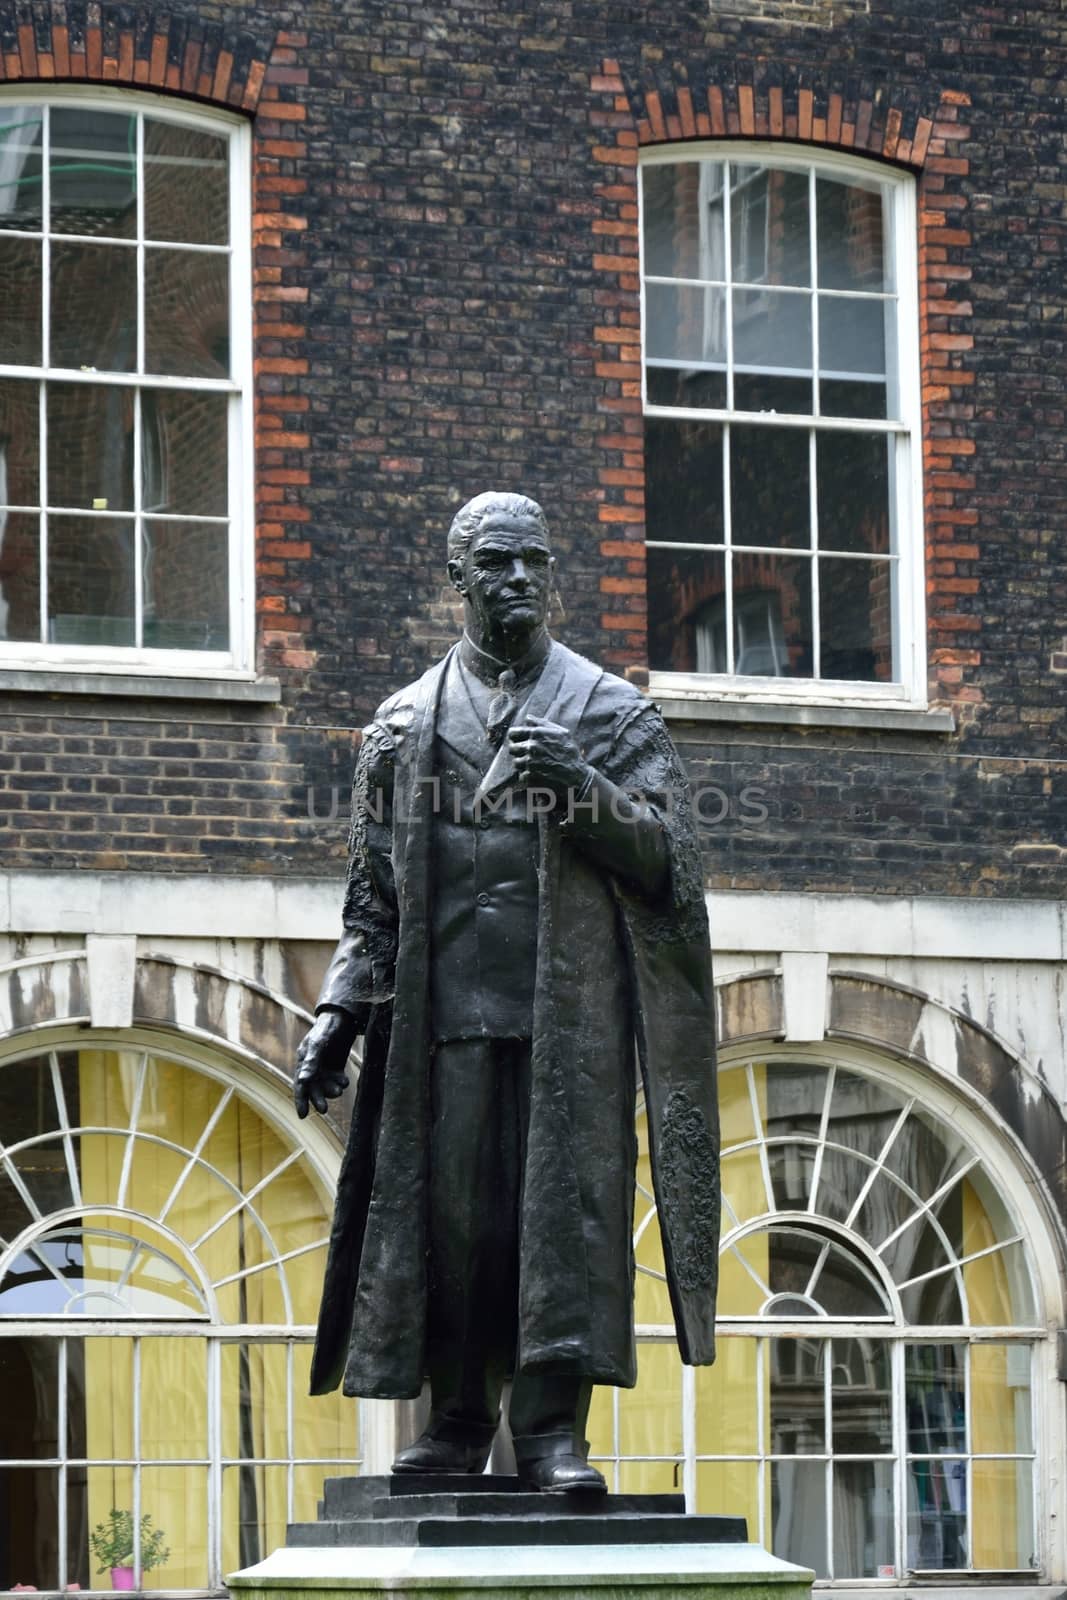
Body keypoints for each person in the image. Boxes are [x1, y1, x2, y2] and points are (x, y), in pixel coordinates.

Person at [294, 491, 719, 1492]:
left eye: (532, 560)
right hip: (442, 1023)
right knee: (453, 1227)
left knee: (561, 1223)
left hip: (566, 1022)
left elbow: (672, 866)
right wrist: (335, 1014)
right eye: (495, 563)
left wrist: (580, 785)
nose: (518, 578)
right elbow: (373, 897)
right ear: (458, 581)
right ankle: (454, 1415)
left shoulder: (611, 714)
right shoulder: (400, 727)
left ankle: (550, 1431)